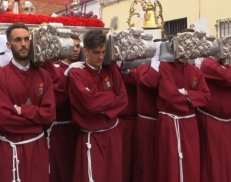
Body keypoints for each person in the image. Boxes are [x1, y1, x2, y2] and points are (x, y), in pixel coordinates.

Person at [0, 22, 56, 182]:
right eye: (18, 40)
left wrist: (21, 110)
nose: (24, 44)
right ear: (9, 44)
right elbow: (2, 119)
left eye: (27, 39)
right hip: (9, 149)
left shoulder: (44, 76)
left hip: (37, 147)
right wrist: (36, 116)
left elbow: (49, 114)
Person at [68, 29, 128, 182]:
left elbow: (123, 98)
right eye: (96, 52)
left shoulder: (111, 69)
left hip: (113, 134)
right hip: (91, 136)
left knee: (113, 175)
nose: (101, 56)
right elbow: (89, 104)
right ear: (85, 51)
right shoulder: (77, 73)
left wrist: (100, 103)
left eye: (103, 51)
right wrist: (110, 96)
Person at [156, 34, 211, 182]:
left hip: (189, 123)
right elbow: (169, 96)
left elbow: (206, 96)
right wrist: (192, 98)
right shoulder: (166, 66)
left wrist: (186, 93)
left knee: (191, 163)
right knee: (170, 164)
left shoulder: (195, 71)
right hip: (170, 123)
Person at [47, 34, 82, 182]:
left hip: (78, 128)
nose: (75, 50)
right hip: (59, 129)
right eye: (72, 46)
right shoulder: (56, 69)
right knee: (60, 169)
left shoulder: (82, 68)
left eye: (77, 46)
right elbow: (55, 99)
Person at [198, 54, 231, 182]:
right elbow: (226, 77)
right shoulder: (208, 64)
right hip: (211, 120)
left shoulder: (225, 65)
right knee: (214, 161)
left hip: (226, 123)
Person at [133, 40, 162, 182]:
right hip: (147, 121)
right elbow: (151, 82)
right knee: (147, 162)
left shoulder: (166, 66)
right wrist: (155, 60)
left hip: (164, 121)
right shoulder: (143, 67)